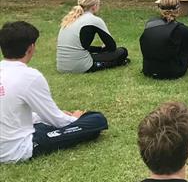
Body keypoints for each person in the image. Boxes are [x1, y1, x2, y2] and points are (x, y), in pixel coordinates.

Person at [0, 21, 108, 164]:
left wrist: (42, 117)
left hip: (11, 136)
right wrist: (76, 119)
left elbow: (12, 111)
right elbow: (57, 120)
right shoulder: (29, 76)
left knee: (42, 123)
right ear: (31, 48)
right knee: (96, 120)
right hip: (16, 149)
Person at [57, 0, 128, 73]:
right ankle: (116, 62)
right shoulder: (94, 20)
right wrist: (103, 49)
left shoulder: (69, 19)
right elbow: (112, 47)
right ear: (94, 6)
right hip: (80, 66)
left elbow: (80, 47)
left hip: (61, 66)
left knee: (96, 54)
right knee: (122, 51)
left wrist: (99, 49)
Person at [140, 0, 188, 80]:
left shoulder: (150, 23)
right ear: (178, 9)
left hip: (148, 70)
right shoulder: (181, 29)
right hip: (172, 72)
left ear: (159, 8)